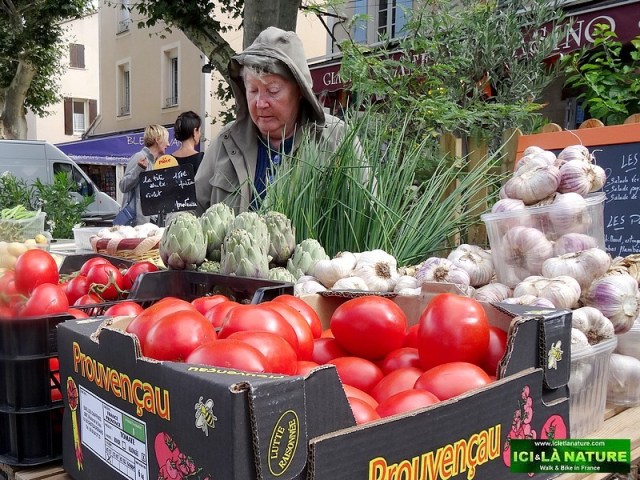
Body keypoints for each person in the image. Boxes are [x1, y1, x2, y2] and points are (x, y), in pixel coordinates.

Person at [195, 26, 351, 214]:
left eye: (273, 91)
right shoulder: (226, 140)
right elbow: (191, 207)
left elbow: (369, 215)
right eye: (252, 90)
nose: (260, 103)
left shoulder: (336, 137)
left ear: (300, 91)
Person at [118, 124, 169, 225]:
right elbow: (123, 186)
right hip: (135, 225)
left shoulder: (156, 163)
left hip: (149, 224)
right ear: (157, 140)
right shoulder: (139, 157)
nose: (168, 144)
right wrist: (139, 169)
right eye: (166, 140)